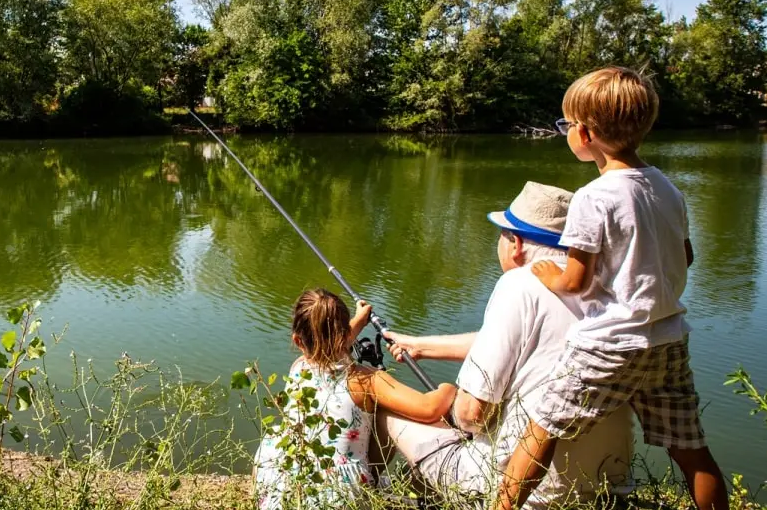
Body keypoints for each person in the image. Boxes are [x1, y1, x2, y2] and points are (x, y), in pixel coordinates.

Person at [495, 67, 727, 510]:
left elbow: (576, 281)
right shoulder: (668, 188)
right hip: (667, 340)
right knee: (691, 451)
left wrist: (548, 275)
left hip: (608, 344)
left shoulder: (593, 197)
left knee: (540, 433)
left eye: (566, 125)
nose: (565, 133)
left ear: (585, 134)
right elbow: (687, 257)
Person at [382, 181, 634, 509]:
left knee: (388, 411)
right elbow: (527, 344)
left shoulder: (518, 284)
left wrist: (448, 406)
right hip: (607, 490)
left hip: (527, 493)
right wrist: (419, 346)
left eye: (502, 234)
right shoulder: (610, 292)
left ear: (515, 243)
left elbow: (473, 414)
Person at [253, 288, 458, 509]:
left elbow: (328, 346)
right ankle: (377, 481)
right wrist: (449, 388)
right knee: (387, 410)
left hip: (284, 488)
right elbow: (429, 408)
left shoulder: (298, 368)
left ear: (298, 341)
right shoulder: (366, 381)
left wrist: (359, 320)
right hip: (337, 497)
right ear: (344, 336)